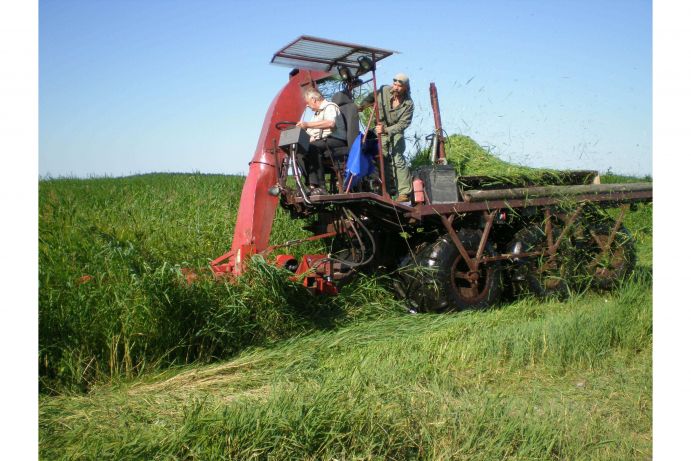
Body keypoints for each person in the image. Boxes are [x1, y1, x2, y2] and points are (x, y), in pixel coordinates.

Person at [360, 73, 414, 202]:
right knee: (381, 157)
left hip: (396, 131)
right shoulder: (384, 90)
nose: (395, 87)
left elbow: (403, 124)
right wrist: (361, 106)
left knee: (398, 158)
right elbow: (371, 97)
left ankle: (404, 193)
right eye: (394, 84)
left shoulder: (409, 104)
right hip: (381, 129)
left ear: (405, 87)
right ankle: (387, 191)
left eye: (399, 86)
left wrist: (386, 130)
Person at [295, 87, 347, 196]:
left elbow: (330, 123)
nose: (307, 106)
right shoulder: (316, 114)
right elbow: (311, 132)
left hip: (336, 140)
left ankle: (322, 187)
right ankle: (311, 186)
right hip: (322, 142)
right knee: (299, 151)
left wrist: (307, 124)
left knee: (313, 147)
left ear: (314, 100)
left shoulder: (330, 107)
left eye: (308, 103)